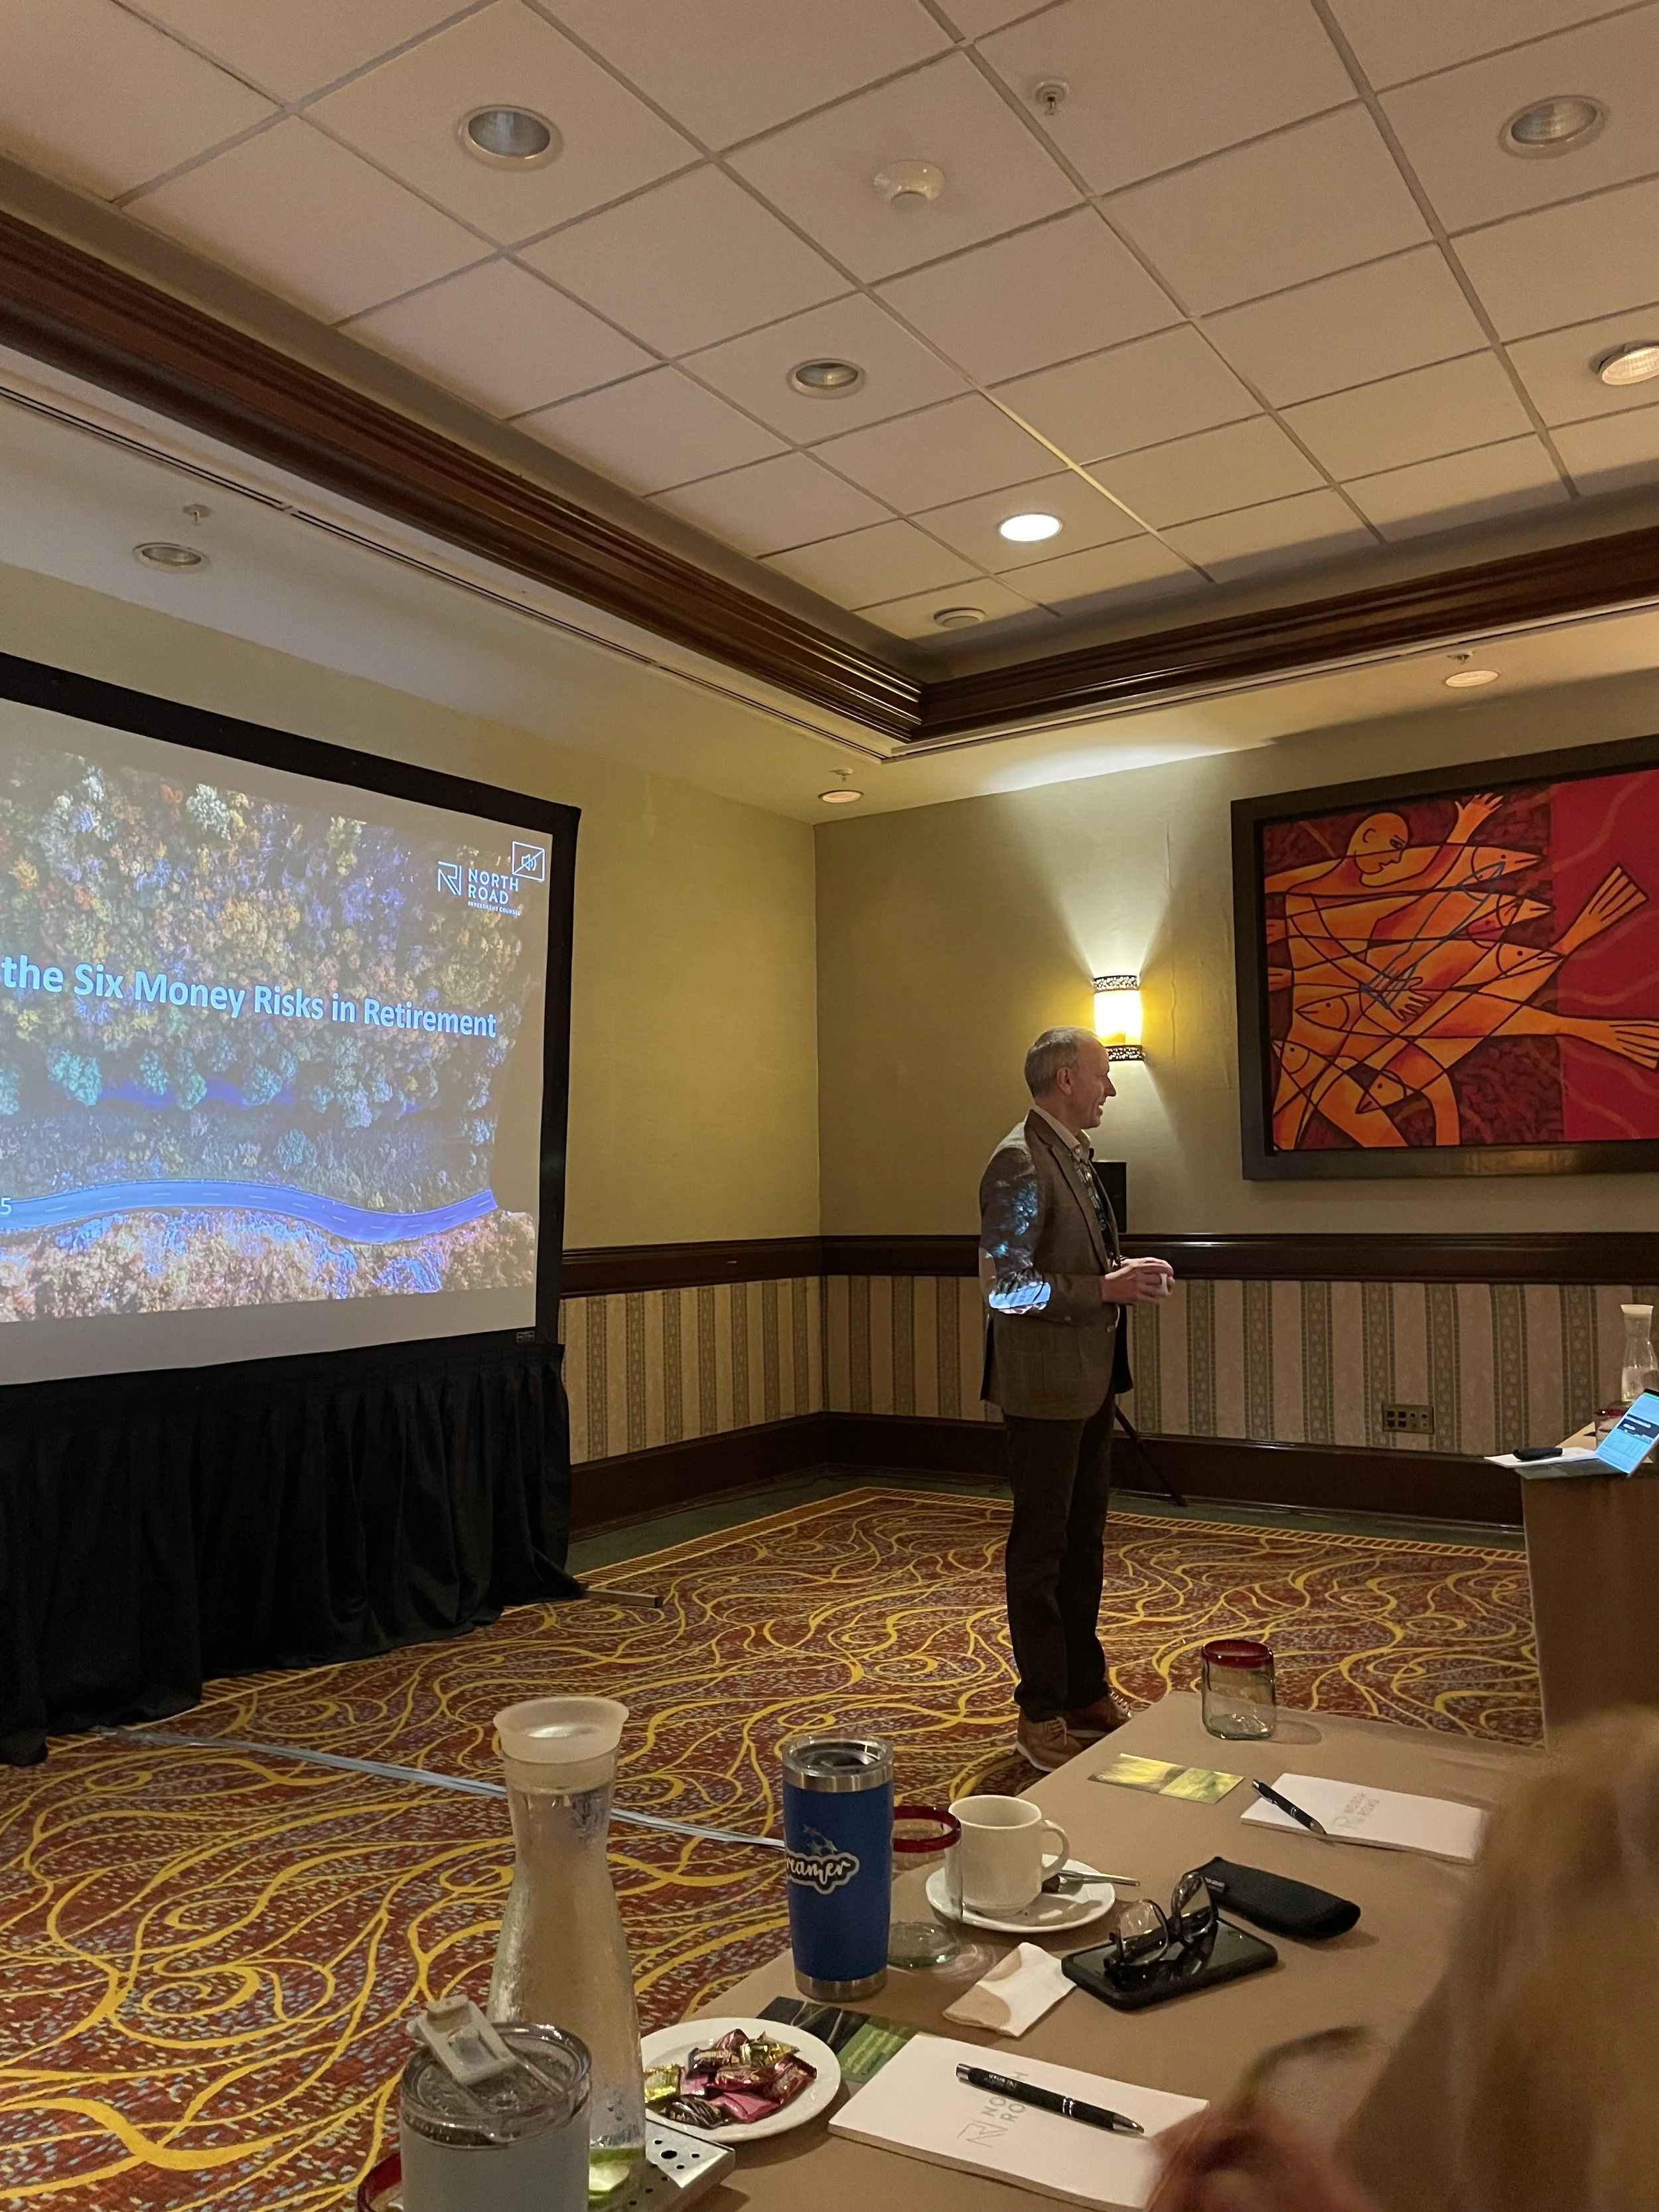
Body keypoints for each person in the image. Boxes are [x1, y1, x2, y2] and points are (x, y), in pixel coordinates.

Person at [979, 1026, 1173, 1771]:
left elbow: (1066, 1260)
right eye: (1100, 1076)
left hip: (1087, 1379)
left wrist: (1124, 1270)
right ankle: (1039, 1711)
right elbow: (1007, 1287)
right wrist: (1103, 1288)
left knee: (1083, 1542)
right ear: (1066, 1078)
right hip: (1043, 1389)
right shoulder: (1017, 1160)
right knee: (1041, 1550)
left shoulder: (1069, 1153)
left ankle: (1084, 1688)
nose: (1110, 1089)